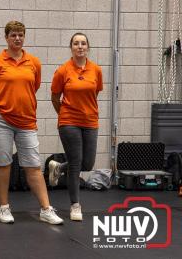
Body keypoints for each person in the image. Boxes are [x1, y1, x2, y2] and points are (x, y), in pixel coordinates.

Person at [0, 21, 63, 225]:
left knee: (33, 165)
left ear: (24, 37)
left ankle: (45, 209)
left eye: (20, 35)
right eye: (13, 35)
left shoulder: (34, 62)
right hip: (0, 120)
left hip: (26, 120)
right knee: (3, 164)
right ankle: (4, 208)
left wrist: (18, 102)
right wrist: (2, 103)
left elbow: (32, 87)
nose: (17, 38)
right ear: (6, 38)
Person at [49, 32, 103, 221]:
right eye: (76, 43)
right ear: (71, 47)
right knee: (75, 164)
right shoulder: (63, 71)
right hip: (69, 122)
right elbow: (55, 97)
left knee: (87, 163)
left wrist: (85, 111)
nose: (80, 46)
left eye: (83, 43)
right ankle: (75, 205)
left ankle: (57, 168)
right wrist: (65, 115)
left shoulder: (96, 70)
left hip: (90, 122)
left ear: (88, 47)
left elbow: (94, 93)